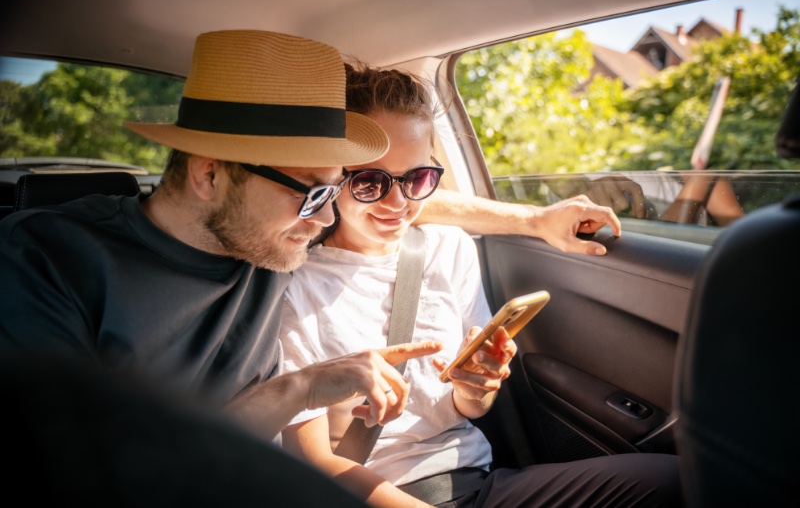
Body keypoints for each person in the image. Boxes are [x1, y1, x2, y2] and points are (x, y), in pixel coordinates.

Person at [0, 29, 623, 498]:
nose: (328, 220)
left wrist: (533, 221)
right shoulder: (45, 262)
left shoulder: (272, 246)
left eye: (335, 189)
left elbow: (409, 205)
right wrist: (302, 389)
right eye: (313, 192)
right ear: (209, 173)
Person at [279, 63, 683, 507]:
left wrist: (475, 389)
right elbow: (311, 461)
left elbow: (466, 409)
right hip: (366, 495)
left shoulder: (449, 249)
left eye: (418, 178)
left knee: (678, 481)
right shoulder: (294, 285)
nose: (399, 203)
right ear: (333, 176)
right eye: (370, 181)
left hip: (477, 483)